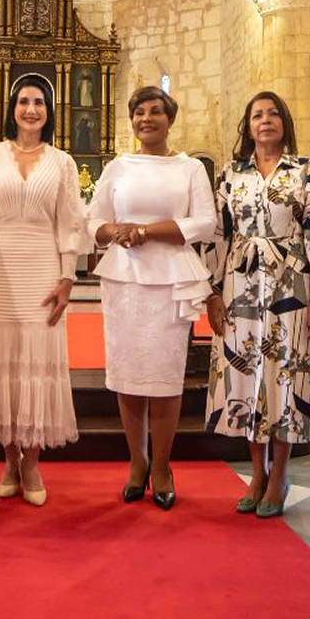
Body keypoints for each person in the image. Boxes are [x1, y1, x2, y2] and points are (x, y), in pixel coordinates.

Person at [205, 91, 310, 519]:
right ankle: (256, 473)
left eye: (273, 113)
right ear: (248, 124)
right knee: (246, 379)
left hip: (290, 284)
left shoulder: (307, 170)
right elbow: (218, 236)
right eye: (257, 114)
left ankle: (279, 474)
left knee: (285, 376)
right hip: (240, 284)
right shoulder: (231, 173)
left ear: (284, 122)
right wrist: (212, 291)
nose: (265, 120)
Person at [86, 86, 215, 510]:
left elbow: (203, 223)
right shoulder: (118, 167)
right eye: (139, 112)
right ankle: (137, 462)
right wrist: (116, 232)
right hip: (124, 278)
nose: (147, 119)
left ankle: (162, 465)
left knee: (163, 376)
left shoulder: (189, 167)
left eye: (155, 112)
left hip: (171, 279)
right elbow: (94, 221)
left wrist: (146, 230)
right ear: (132, 120)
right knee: (128, 374)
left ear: (170, 118)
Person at [0, 75, 89, 507]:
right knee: (3, 362)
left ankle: (32, 462)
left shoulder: (63, 162)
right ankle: (9, 459)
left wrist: (67, 277)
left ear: (49, 110)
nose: (31, 109)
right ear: (12, 108)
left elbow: (70, 223)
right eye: (24, 101)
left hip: (41, 271)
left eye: (39, 102)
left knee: (36, 362)